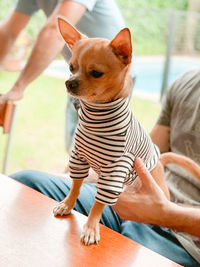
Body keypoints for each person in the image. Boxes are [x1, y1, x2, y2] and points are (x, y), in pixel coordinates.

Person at [9, 69, 200, 266]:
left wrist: (166, 214)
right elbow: (140, 158)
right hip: (132, 206)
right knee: (28, 185)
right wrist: (71, 177)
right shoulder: (187, 83)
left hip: (187, 246)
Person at [0, 0, 126, 153]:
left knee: (95, 154)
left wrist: (18, 87)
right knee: (76, 150)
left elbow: (53, 31)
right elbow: (8, 32)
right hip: (80, 76)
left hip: (110, 81)